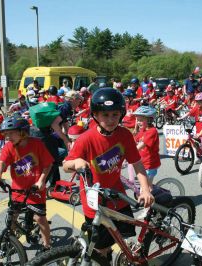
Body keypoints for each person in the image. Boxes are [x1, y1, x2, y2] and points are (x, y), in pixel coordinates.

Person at [63, 88, 154, 261]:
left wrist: (145, 189)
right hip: (94, 203)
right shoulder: (86, 138)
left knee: (122, 239)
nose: (111, 120)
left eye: (115, 114)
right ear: (95, 115)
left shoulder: (125, 135)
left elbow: (138, 165)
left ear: (121, 114)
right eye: (105, 115)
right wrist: (76, 163)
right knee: (99, 248)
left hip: (117, 198)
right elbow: (66, 165)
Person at [0, 115, 54, 252]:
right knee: (12, 216)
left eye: (11, 133)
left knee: (40, 218)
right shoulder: (9, 147)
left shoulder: (36, 144)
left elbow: (48, 164)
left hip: (35, 189)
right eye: (5, 134)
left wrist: (41, 181)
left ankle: (47, 245)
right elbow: (2, 162)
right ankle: (11, 241)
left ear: (23, 132)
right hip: (18, 190)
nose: (7, 137)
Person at [133, 106, 161, 182]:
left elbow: (141, 145)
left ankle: (150, 192)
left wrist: (126, 154)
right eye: (137, 120)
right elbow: (133, 142)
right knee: (142, 186)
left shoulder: (152, 131)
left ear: (149, 120)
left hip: (150, 165)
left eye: (141, 120)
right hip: (142, 163)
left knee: (145, 189)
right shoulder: (143, 130)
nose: (138, 122)